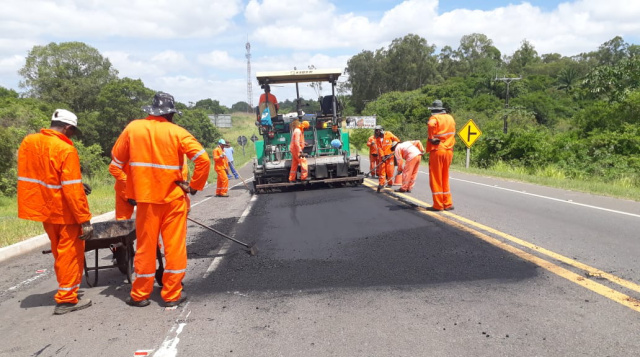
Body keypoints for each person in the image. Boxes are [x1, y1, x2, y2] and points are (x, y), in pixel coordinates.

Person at [111, 91, 210, 308]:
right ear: (170, 114)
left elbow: (116, 164)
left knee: (146, 248)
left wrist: (132, 189)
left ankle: (139, 295)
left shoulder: (133, 129)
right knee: (174, 247)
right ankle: (171, 294)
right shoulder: (177, 133)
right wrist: (194, 186)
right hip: (173, 201)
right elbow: (202, 159)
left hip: (146, 202)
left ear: (152, 111)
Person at [17, 109, 94, 315]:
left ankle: (67, 291)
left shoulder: (29, 142)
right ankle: (67, 300)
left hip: (45, 210)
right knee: (70, 255)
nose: (71, 136)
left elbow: (45, 175)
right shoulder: (64, 149)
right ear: (67, 127)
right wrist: (84, 219)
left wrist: (79, 185)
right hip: (65, 212)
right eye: (72, 132)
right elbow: (70, 188)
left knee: (60, 253)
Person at [426, 99, 456, 211]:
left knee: (436, 177)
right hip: (449, 150)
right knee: (445, 177)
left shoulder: (434, 118)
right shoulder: (450, 118)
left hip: (438, 150)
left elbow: (431, 124)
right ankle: (447, 203)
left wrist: (431, 138)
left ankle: (438, 205)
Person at [374, 125, 400, 192]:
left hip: (390, 156)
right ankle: (381, 184)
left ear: (381, 130)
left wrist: (394, 149)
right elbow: (379, 149)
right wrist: (382, 156)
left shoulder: (388, 134)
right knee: (382, 171)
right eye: (375, 131)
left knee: (390, 171)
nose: (376, 132)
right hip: (382, 157)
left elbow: (397, 140)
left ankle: (390, 183)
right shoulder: (377, 139)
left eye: (377, 130)